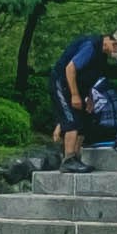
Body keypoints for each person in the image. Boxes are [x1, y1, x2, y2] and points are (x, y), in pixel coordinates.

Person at [47, 32, 110, 169]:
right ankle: (68, 159)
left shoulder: (101, 57)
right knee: (72, 121)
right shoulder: (91, 46)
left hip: (78, 86)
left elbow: (89, 79)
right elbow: (70, 69)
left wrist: (90, 98)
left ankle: (76, 156)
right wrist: (75, 95)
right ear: (109, 41)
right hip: (62, 82)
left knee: (84, 119)